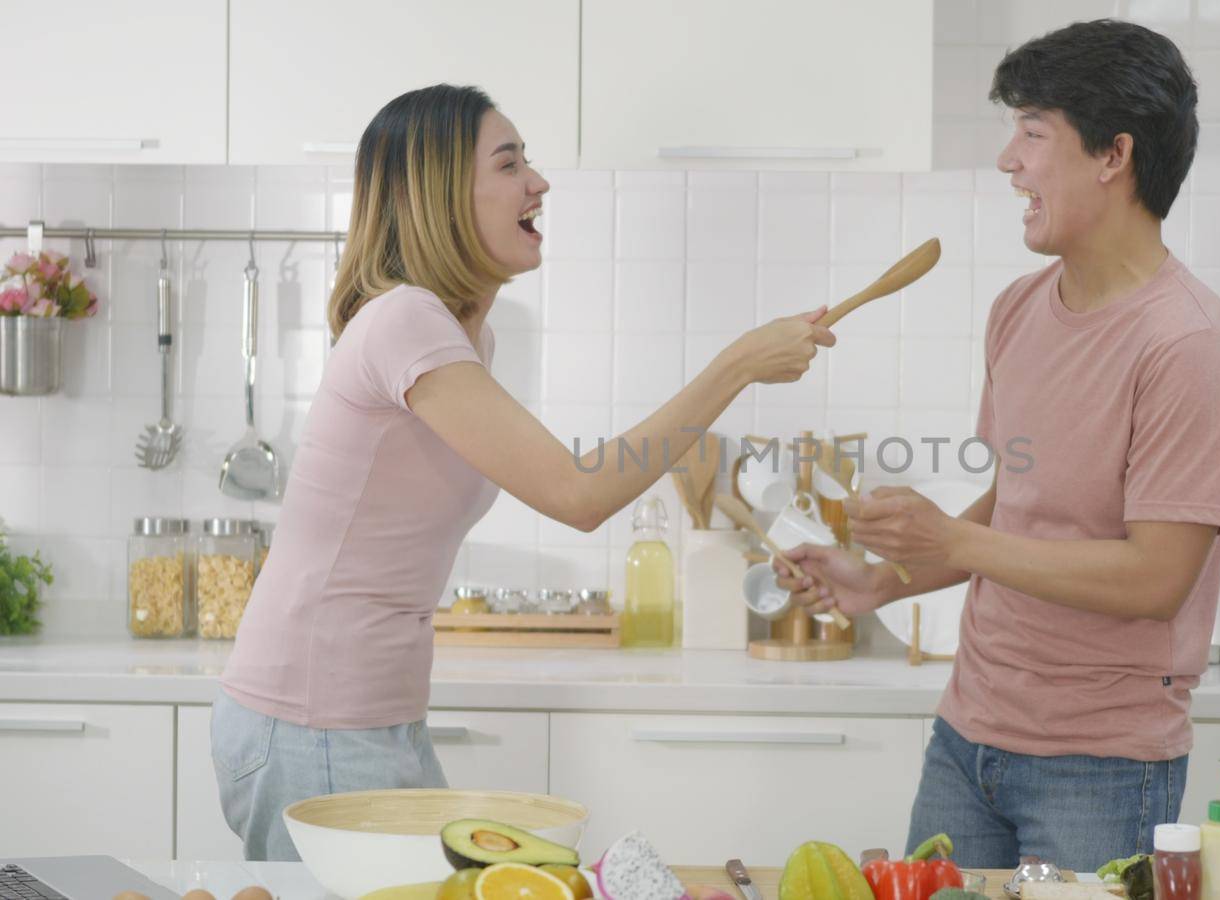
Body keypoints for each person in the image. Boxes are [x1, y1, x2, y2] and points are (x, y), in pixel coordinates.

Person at [212, 83, 835, 861]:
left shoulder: (464, 337)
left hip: (365, 715)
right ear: (441, 197)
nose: (537, 182)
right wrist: (736, 365)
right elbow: (577, 492)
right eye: (509, 164)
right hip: (313, 722)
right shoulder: (406, 323)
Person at [778, 20, 1220, 872]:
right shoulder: (1019, 311)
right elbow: (1018, 508)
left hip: (1102, 768)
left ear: (1114, 155)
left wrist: (951, 539)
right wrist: (883, 582)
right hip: (967, 740)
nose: (1009, 161)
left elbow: (1157, 579)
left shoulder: (1188, 348)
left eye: (1033, 133)